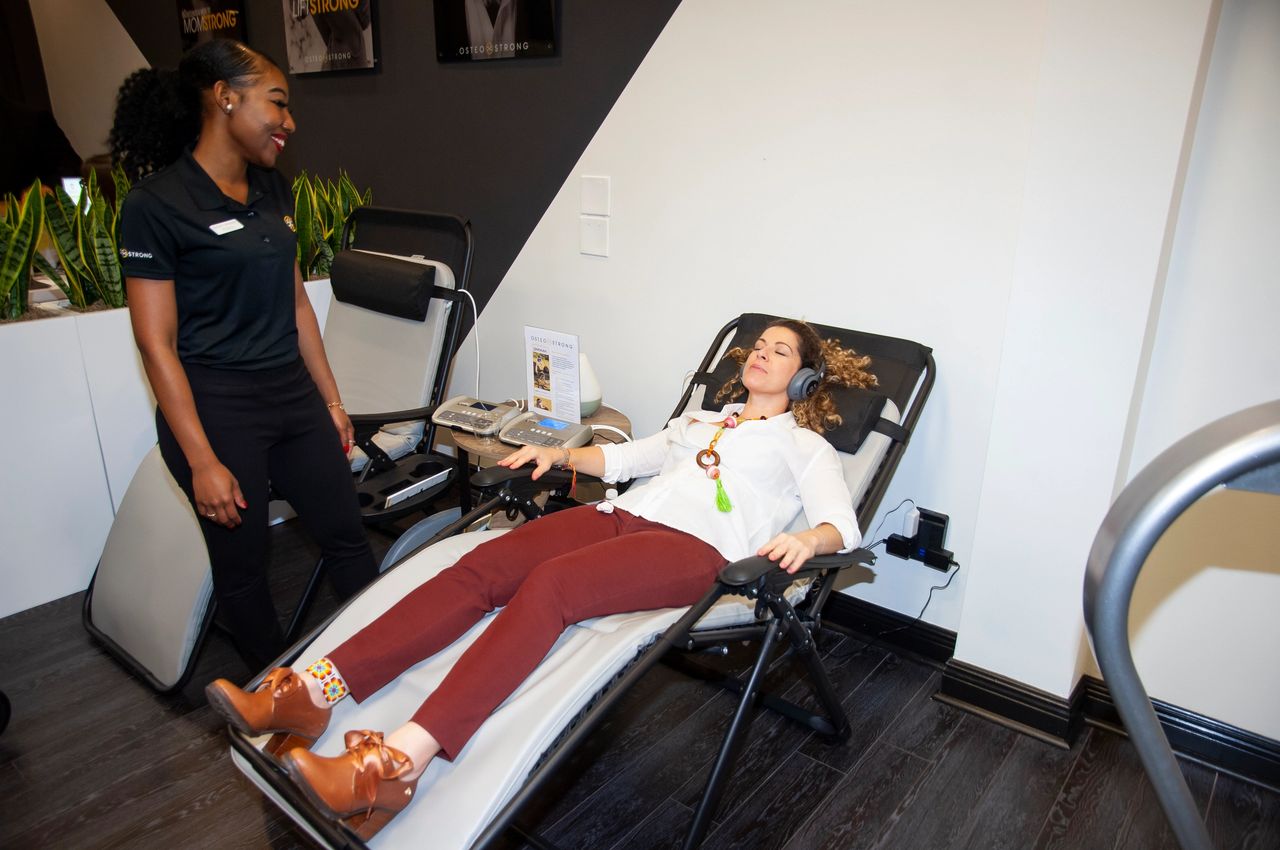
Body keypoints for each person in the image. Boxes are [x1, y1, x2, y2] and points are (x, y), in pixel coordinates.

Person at [206, 319, 879, 835]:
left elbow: (841, 529)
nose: (760, 354)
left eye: (779, 351)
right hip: (619, 516)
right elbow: (625, 463)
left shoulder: (805, 447)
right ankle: (315, 690)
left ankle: (397, 764)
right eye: (757, 345)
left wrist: (805, 539)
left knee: (552, 587)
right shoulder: (701, 422)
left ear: (803, 380)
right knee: (482, 564)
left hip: (697, 551)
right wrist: (558, 454)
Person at [111, 39, 378, 672]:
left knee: (347, 537)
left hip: (292, 395)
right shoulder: (156, 206)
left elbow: (297, 304)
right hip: (217, 408)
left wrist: (332, 401)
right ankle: (274, 693)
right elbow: (155, 343)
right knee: (244, 569)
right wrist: (202, 460)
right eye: (277, 103)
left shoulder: (271, 189)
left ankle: (380, 663)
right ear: (224, 97)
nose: (290, 121)